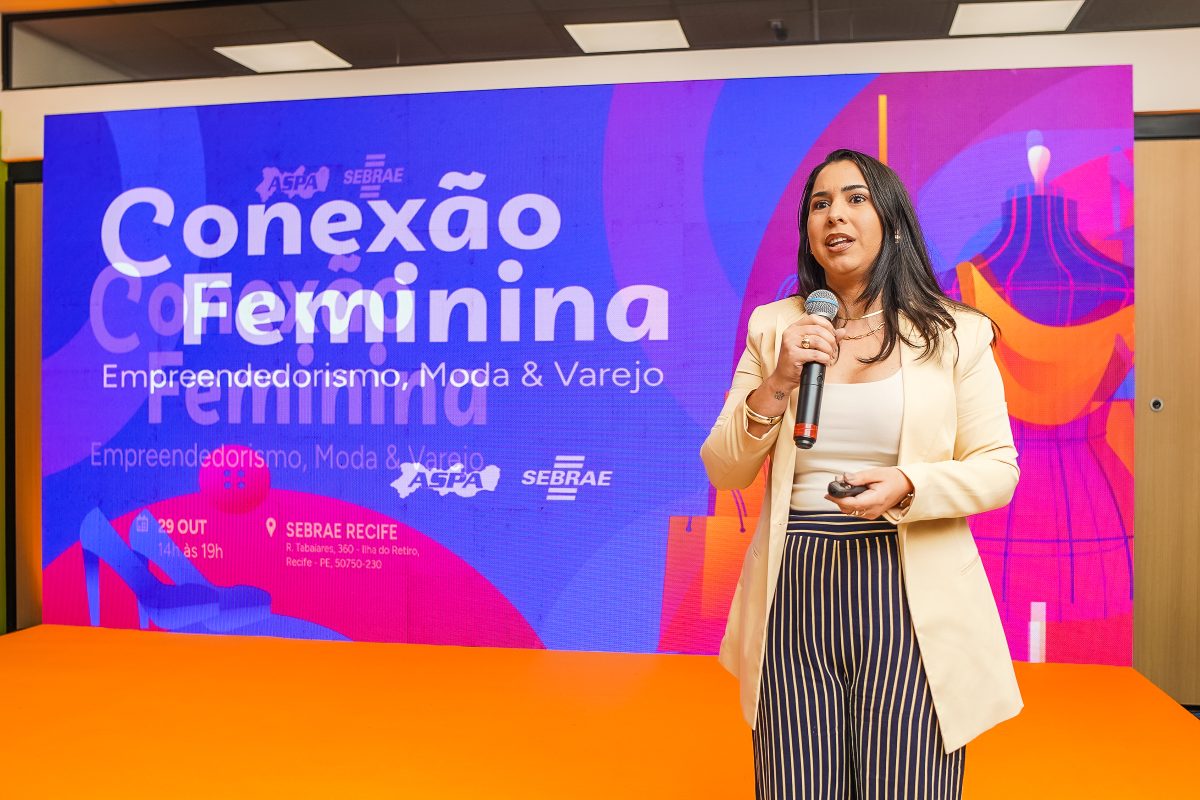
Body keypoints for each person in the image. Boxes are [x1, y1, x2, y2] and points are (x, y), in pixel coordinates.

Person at [701, 149, 1022, 799]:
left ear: (894, 223)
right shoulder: (775, 327)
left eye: (855, 199)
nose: (834, 215)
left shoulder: (956, 333)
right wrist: (779, 380)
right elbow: (725, 468)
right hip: (794, 587)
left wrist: (909, 484)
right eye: (819, 204)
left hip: (907, 589)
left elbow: (998, 469)